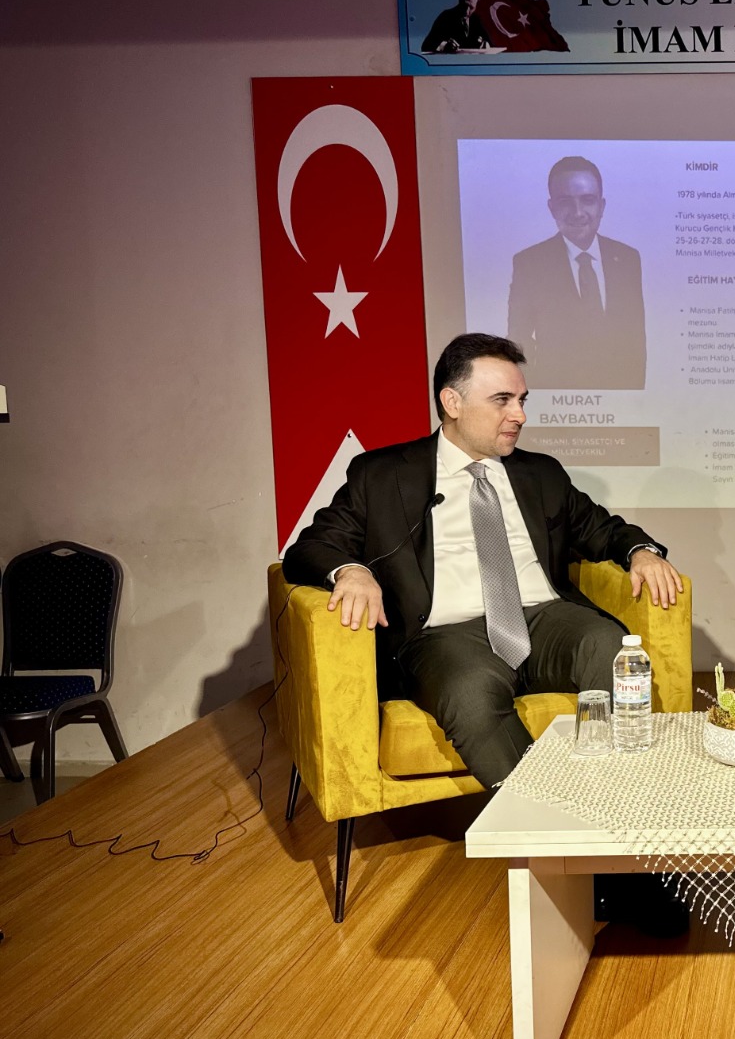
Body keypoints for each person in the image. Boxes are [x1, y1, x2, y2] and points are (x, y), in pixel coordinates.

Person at [282, 333, 686, 929]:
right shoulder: (382, 474)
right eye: (502, 400)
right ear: (451, 402)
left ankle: (640, 841)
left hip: (543, 618)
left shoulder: (540, 474)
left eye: (522, 400)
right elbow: (309, 548)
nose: (519, 415)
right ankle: (573, 857)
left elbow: (603, 528)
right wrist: (352, 570)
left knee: (609, 648)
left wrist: (641, 552)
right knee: (471, 693)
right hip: (445, 635)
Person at [507, 156, 646, 390]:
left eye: (587, 200)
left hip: (619, 400)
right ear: (552, 208)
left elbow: (635, 340)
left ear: (601, 206)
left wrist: (633, 398)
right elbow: (518, 339)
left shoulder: (627, 259)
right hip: (556, 400)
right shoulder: (530, 263)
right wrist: (537, 397)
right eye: (565, 202)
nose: (578, 212)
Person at [420, 0, 492, 54]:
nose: (467, 11)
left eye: (471, 7)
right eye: (464, 5)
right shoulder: (445, 17)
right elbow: (426, 46)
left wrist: (486, 44)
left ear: (476, 4)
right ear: (460, 0)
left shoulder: (476, 20)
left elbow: (490, 44)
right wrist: (443, 46)